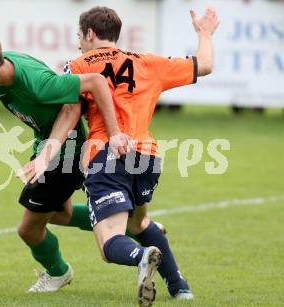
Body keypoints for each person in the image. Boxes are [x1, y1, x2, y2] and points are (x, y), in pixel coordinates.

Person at [23, 6, 219, 306]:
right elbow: (204, 65)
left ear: (90, 33)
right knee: (139, 224)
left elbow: (70, 111)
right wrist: (204, 33)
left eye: (80, 35)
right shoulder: (148, 63)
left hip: (107, 155)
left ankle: (142, 256)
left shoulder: (77, 65)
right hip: (148, 157)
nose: (78, 43)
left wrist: (47, 152)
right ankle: (180, 287)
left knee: (109, 243)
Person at [0, 31, 134, 293]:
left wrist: (112, 135)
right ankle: (127, 227)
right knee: (59, 214)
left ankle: (58, 272)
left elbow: (90, 88)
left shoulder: (37, 83)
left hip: (67, 152)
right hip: (47, 146)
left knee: (28, 230)